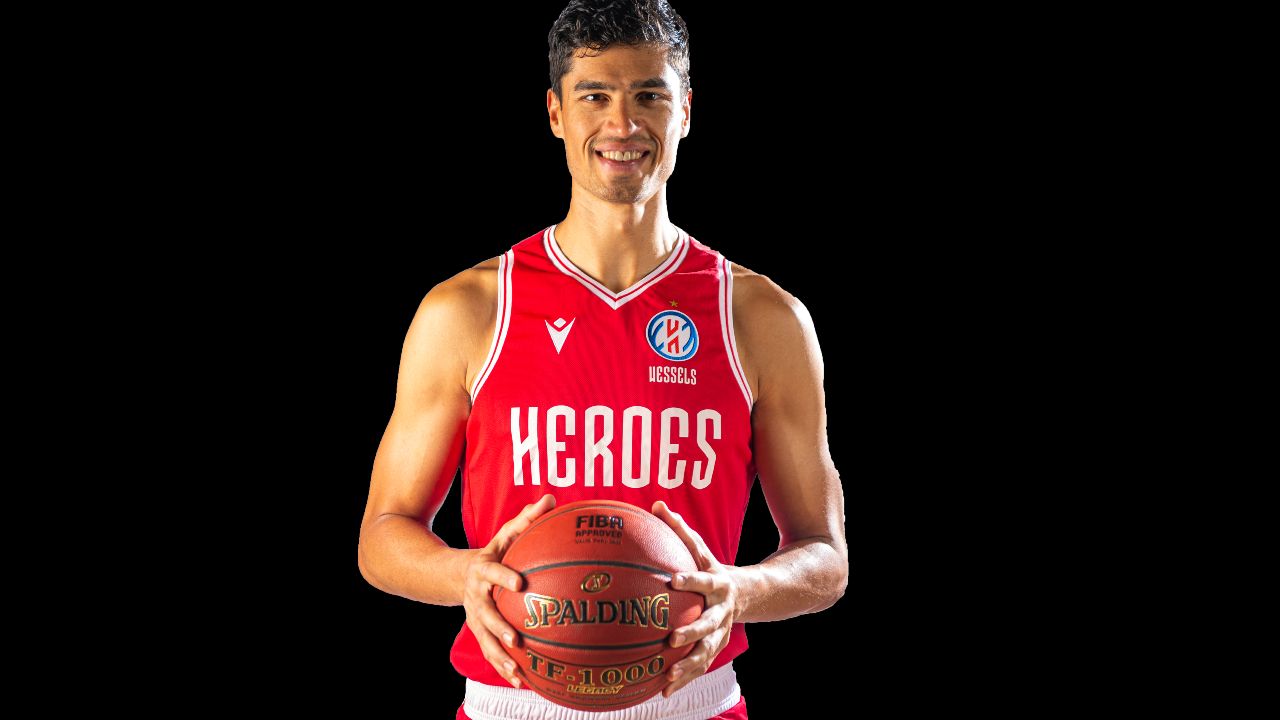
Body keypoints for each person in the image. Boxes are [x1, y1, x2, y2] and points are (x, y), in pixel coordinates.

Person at [356, 1, 847, 718]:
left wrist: (742, 590)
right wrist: (465, 574)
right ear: (555, 113)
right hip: (507, 704)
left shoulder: (760, 317)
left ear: (685, 111)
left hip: (697, 704)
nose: (623, 125)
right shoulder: (468, 309)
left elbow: (825, 555)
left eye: (649, 95)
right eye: (595, 96)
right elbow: (382, 534)